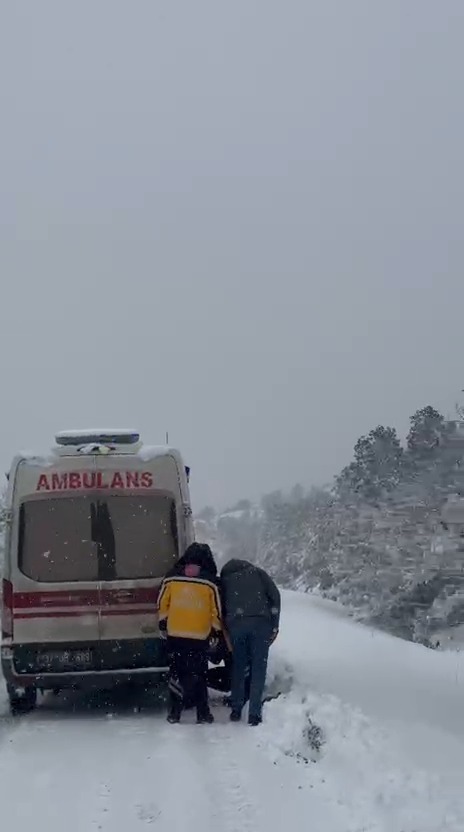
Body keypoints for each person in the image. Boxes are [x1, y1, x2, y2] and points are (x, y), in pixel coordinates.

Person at [158, 543, 222, 724]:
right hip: (199, 636)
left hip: (176, 634)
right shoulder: (210, 582)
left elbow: (162, 603)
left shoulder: (171, 578)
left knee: (176, 672)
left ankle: (174, 712)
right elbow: (216, 611)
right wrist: (215, 631)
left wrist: (163, 623)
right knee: (200, 674)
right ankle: (202, 713)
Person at [220, 558, 280, 726]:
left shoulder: (225, 580)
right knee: (258, 668)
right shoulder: (258, 573)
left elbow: (220, 606)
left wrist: (227, 627)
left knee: (239, 667)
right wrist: (274, 625)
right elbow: (275, 596)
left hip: (236, 626)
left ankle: (236, 708)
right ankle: (254, 713)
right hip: (261, 624)